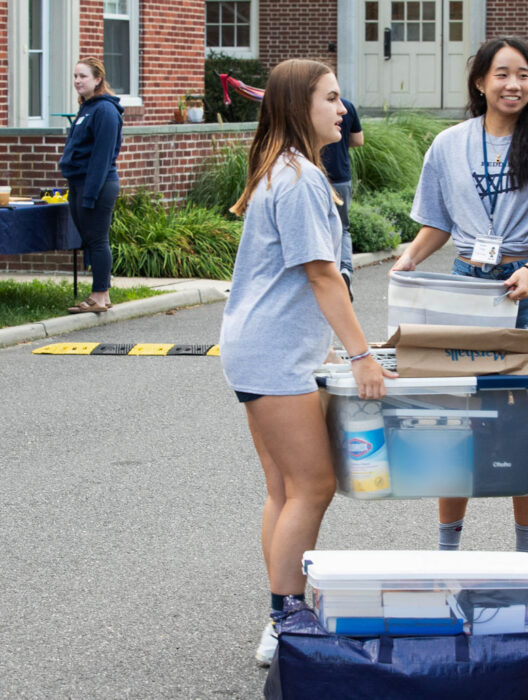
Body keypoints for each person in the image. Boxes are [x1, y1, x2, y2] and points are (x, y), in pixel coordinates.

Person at [219, 59, 395, 667]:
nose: (342, 109)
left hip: (260, 349)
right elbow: (322, 275)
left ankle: (282, 612)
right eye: (331, 98)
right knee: (313, 485)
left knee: (285, 488)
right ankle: (284, 620)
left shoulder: (290, 170)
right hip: (272, 356)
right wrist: (362, 355)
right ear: (301, 107)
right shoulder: (298, 178)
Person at [391, 37, 528, 555]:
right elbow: (437, 222)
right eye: (502, 74)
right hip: (465, 287)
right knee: (458, 421)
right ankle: (447, 552)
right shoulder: (449, 145)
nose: (514, 85)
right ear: (480, 82)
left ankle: (524, 551)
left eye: (523, 74)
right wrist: (412, 256)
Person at [59, 56, 123, 314]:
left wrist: (90, 195)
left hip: (96, 184)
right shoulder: (87, 108)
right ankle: (102, 295)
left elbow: (101, 156)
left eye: (83, 76)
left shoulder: (105, 110)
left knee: (97, 240)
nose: (77, 81)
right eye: (75, 76)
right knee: (91, 239)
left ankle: (98, 296)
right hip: (79, 183)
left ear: (98, 79)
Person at [321, 97, 363, 300]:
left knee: (320, 228)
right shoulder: (348, 105)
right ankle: (345, 270)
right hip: (341, 177)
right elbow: (359, 140)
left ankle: (327, 276)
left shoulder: (314, 106)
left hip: (319, 174)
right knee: (343, 228)